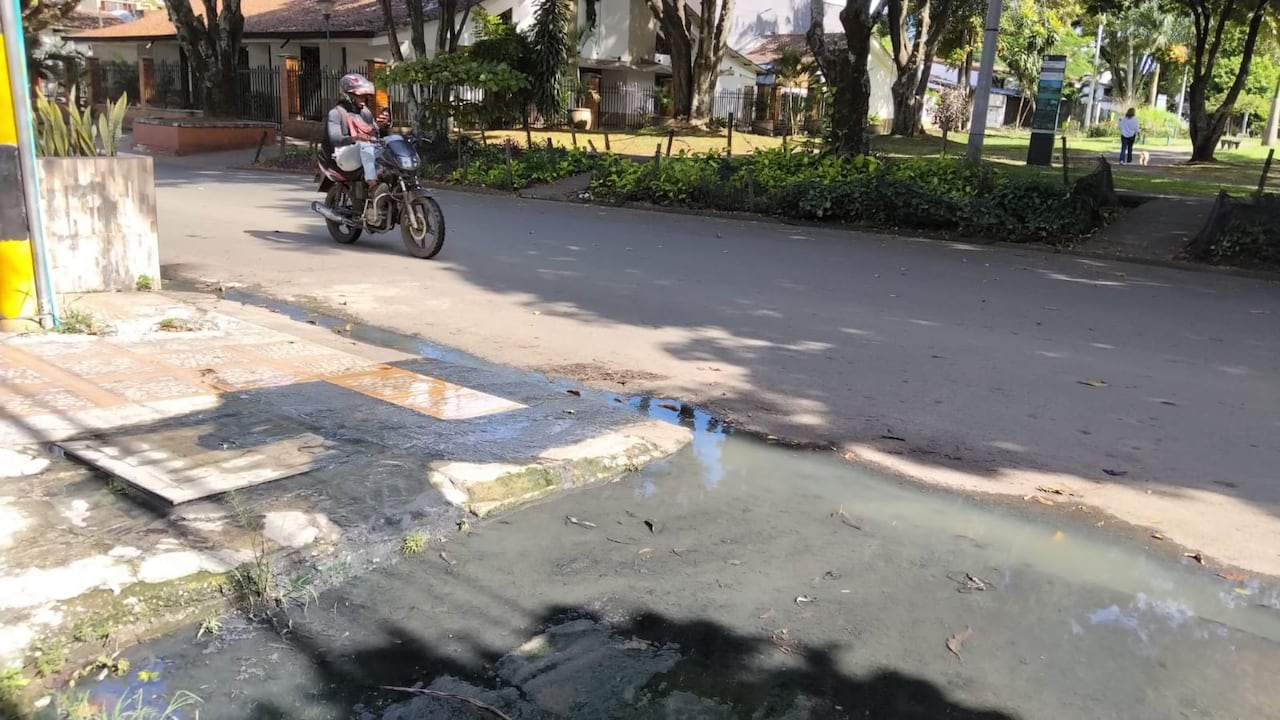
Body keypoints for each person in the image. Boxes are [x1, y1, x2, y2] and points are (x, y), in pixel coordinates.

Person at [326, 73, 391, 221]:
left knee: (392, 141)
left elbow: (376, 135)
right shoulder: (336, 113)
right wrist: (355, 138)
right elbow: (335, 138)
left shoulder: (365, 113)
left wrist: (383, 126)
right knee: (364, 145)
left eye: (365, 97)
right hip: (344, 155)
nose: (364, 100)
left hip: (364, 151)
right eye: (360, 96)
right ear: (348, 95)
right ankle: (373, 185)